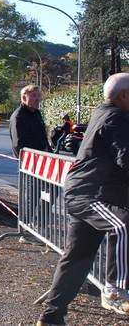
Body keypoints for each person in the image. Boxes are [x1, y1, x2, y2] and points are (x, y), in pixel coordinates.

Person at [36, 73, 129, 325]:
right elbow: (126, 158)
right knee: (122, 225)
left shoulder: (106, 113)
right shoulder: (115, 117)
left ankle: (51, 317)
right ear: (123, 95)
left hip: (86, 193)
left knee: (77, 258)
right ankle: (114, 290)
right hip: (93, 195)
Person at [9, 84, 52, 158]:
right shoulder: (18, 117)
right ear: (24, 98)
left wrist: (51, 153)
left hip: (41, 158)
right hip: (27, 160)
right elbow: (20, 142)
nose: (37, 99)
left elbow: (43, 137)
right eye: (33, 96)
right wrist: (42, 147)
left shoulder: (36, 113)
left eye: (39, 96)